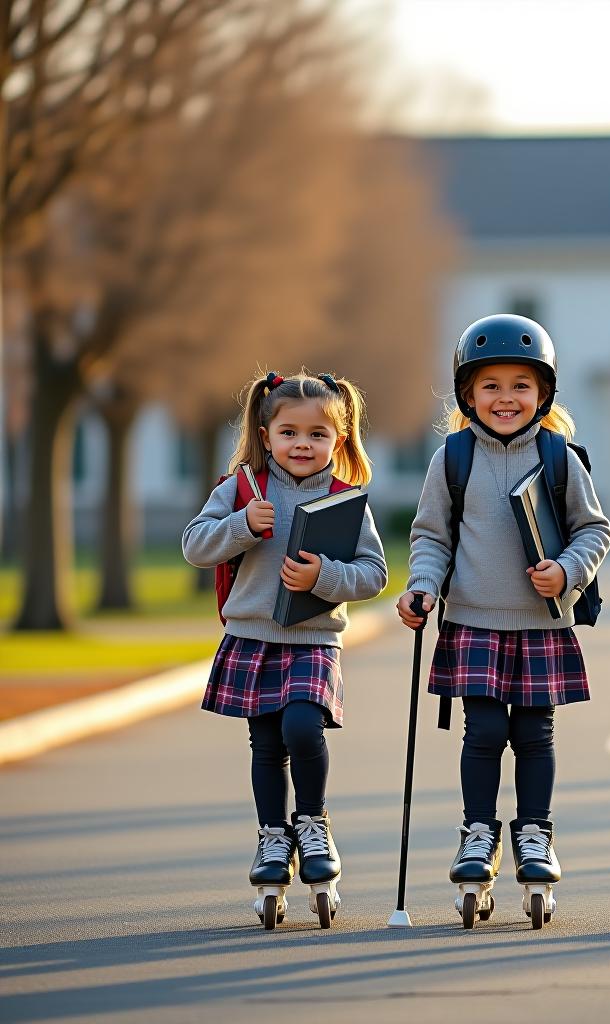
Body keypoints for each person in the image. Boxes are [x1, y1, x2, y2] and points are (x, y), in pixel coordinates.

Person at [397, 313, 610, 928]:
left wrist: (568, 572)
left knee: (535, 736)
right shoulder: (452, 458)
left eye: (521, 385)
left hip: (541, 625)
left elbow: (594, 529)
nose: (506, 398)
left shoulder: (560, 457)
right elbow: (431, 535)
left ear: (543, 394)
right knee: (483, 735)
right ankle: (477, 832)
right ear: (467, 395)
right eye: (491, 386)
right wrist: (421, 588)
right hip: (474, 623)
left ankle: (536, 834)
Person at [182, 370, 387, 929]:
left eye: (318, 433)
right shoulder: (242, 489)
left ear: (338, 440)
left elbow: (373, 574)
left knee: (303, 727)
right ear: (266, 433)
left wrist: (324, 575)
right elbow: (196, 546)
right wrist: (242, 525)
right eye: (290, 432)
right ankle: (274, 836)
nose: (303, 443)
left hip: (313, 638)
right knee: (266, 743)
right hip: (252, 636)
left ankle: (313, 823)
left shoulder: (346, 500)